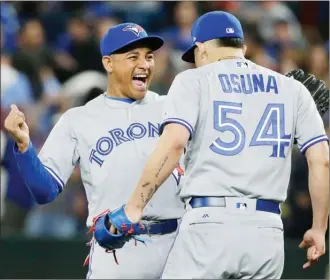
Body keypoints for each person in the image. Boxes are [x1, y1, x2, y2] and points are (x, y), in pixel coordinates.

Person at [119, 11, 329, 279]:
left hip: (210, 225)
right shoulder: (292, 90)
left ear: (201, 48)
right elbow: (321, 160)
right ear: (242, 48)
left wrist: (135, 207)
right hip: (267, 233)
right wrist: (319, 228)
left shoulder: (193, 80)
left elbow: (173, 145)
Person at [4, 22, 184, 279]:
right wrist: (24, 146)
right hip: (117, 251)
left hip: (177, 247)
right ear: (108, 63)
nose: (144, 64)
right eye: (133, 56)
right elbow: (44, 191)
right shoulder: (79, 119)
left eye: (149, 56)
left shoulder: (173, 109)